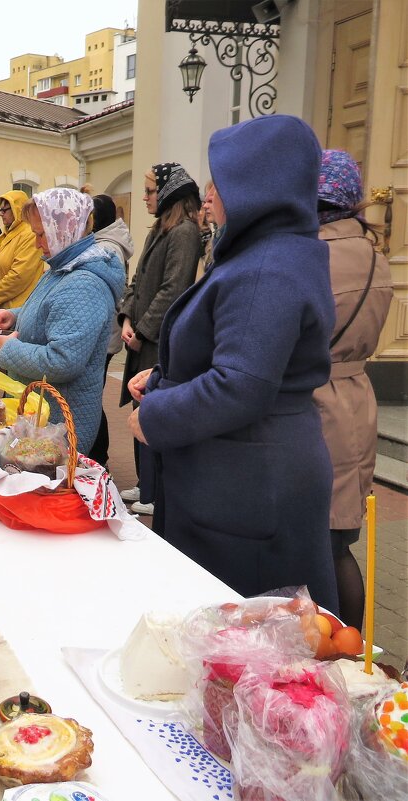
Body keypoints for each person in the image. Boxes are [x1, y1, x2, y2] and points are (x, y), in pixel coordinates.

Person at [129, 115, 340, 612]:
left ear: (257, 188)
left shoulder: (267, 267)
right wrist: (162, 379)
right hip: (243, 477)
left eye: (220, 182)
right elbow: (245, 357)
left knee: (242, 646)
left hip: (249, 488)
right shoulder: (267, 253)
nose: (209, 196)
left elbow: (240, 385)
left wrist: (154, 417)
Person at [312, 149, 393, 627]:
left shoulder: (314, 255)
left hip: (318, 402)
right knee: (341, 542)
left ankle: (331, 646)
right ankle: (353, 646)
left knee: (317, 544)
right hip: (358, 399)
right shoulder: (373, 254)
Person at [0, 189, 125, 455]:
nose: (37, 243)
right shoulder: (65, 266)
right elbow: (55, 307)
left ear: (64, 230)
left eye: (41, 235)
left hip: (60, 424)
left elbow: (63, 360)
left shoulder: (84, 283)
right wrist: (17, 314)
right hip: (44, 414)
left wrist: (10, 350)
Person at [117, 163, 201, 517]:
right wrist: (126, 318)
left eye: (151, 191)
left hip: (160, 339)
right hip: (142, 334)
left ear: (168, 193)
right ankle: (144, 481)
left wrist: (144, 329)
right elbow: (137, 281)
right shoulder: (158, 230)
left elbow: (173, 289)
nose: (146, 197)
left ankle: (155, 489)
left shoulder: (184, 232)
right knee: (140, 405)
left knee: (152, 409)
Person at [89, 193, 134, 467]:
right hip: (103, 332)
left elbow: (113, 292)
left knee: (92, 398)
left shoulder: (109, 248)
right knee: (93, 396)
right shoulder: (103, 243)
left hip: (104, 335)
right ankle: (98, 454)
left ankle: (99, 456)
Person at [0, 190, 45, 369]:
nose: (1, 214)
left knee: (10, 369)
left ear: (17, 210)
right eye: (0, 210)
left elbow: (19, 275)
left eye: (5, 210)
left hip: (16, 312)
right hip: (0, 311)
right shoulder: (4, 236)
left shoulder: (29, 234)